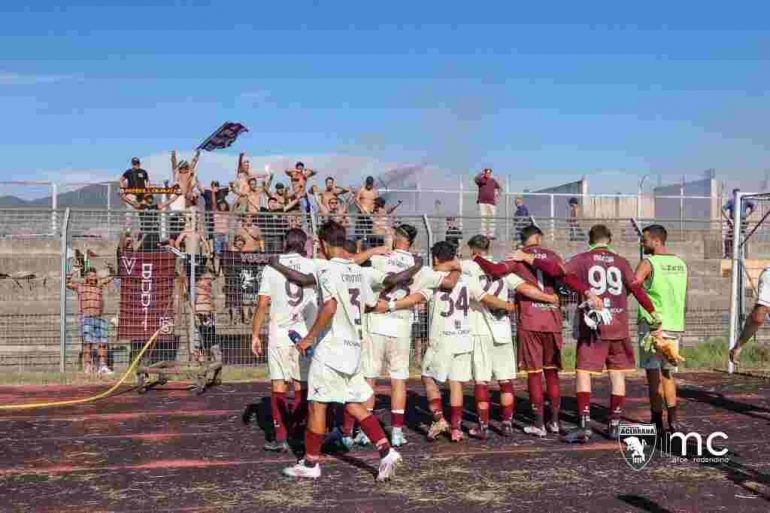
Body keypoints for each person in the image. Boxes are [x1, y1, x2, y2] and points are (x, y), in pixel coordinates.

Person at [281, 220, 402, 481]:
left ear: (323, 244)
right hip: (354, 348)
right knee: (353, 404)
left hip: (333, 348)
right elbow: (369, 303)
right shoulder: (359, 271)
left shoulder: (326, 270)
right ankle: (385, 450)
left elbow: (330, 307)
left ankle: (311, 464)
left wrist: (308, 339)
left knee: (317, 404)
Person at [379, 241, 521, 443]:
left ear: (436, 259)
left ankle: (439, 418)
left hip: (442, 337)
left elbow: (417, 297)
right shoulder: (466, 278)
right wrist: (508, 306)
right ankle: (456, 429)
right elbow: (485, 297)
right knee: (456, 384)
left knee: (427, 377)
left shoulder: (433, 278)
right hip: (463, 336)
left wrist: (393, 305)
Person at [449, 235, 560, 439]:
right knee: (505, 380)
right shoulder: (503, 267)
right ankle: (507, 423)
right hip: (502, 329)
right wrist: (548, 297)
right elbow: (524, 288)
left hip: (479, 328)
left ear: (472, 249)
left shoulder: (469, 265)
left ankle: (483, 425)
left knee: (482, 380)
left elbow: (449, 266)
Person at [561, 225, 661, 443]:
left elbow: (563, 274)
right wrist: (652, 312)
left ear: (590, 239)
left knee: (583, 372)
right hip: (619, 325)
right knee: (617, 374)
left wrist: (586, 291)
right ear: (610, 240)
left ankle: (585, 426)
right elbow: (636, 288)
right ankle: (614, 425)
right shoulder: (621, 261)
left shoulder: (582, 259)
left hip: (594, 327)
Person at [359, 224, 457, 447]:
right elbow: (450, 282)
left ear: (395, 237)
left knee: (370, 379)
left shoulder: (380, 259)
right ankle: (396, 432)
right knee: (398, 380)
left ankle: (366, 432)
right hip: (401, 326)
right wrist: (457, 265)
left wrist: (373, 251)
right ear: (411, 242)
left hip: (376, 321)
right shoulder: (419, 265)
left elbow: (353, 263)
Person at [474, 225, 569, 437]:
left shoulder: (517, 257)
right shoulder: (553, 255)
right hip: (553, 318)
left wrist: (478, 258)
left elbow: (496, 271)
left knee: (534, 373)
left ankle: (538, 424)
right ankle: (554, 421)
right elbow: (561, 273)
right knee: (552, 372)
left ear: (523, 239)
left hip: (531, 319)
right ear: (539, 237)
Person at [251, 229, 319, 453]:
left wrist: (255, 334)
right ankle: (298, 433)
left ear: (284, 243)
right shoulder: (312, 265)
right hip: (303, 334)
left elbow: (262, 303)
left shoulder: (272, 266)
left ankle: (280, 436)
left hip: (279, 333)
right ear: (304, 245)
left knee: (278, 384)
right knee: (302, 385)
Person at [634, 224, 688, 435]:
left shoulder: (649, 263)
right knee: (668, 373)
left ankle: (657, 421)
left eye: (644, 239)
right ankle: (673, 420)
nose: (642, 243)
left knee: (652, 375)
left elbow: (634, 285)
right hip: (674, 324)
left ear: (656, 241)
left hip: (652, 324)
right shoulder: (680, 263)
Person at [66, 268, 115, 376]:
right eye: (91, 276)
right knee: (87, 343)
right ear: (86, 277)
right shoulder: (81, 287)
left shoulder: (99, 286)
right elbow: (67, 284)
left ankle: (102, 366)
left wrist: (111, 270)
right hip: (86, 318)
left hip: (99, 318)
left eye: (94, 275)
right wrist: (71, 273)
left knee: (103, 343)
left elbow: (111, 277)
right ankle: (88, 366)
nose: (93, 277)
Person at [722, 189, 755, 258]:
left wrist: (747, 214)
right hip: (734, 222)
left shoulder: (743, 200)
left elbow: (754, 207)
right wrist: (729, 219)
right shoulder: (732, 201)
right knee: (732, 238)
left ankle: (733, 255)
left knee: (735, 238)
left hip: (741, 222)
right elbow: (722, 209)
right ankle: (732, 255)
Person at [474, 168, 501, 239]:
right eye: (486, 172)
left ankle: (491, 234)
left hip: (491, 202)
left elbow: (499, 188)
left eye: (489, 173)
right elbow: (475, 179)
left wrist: (498, 196)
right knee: (484, 218)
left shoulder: (493, 180)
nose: (488, 174)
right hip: (482, 202)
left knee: (492, 218)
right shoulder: (481, 180)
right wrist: (481, 173)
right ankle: (483, 234)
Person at [354, 176, 379, 246]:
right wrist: (361, 209)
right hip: (361, 215)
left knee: (371, 233)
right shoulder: (361, 190)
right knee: (359, 234)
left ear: (372, 183)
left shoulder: (375, 192)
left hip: (371, 216)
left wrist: (375, 212)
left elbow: (378, 203)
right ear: (366, 182)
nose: (369, 185)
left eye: (370, 183)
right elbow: (356, 200)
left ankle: (371, 249)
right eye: (368, 183)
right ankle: (358, 250)